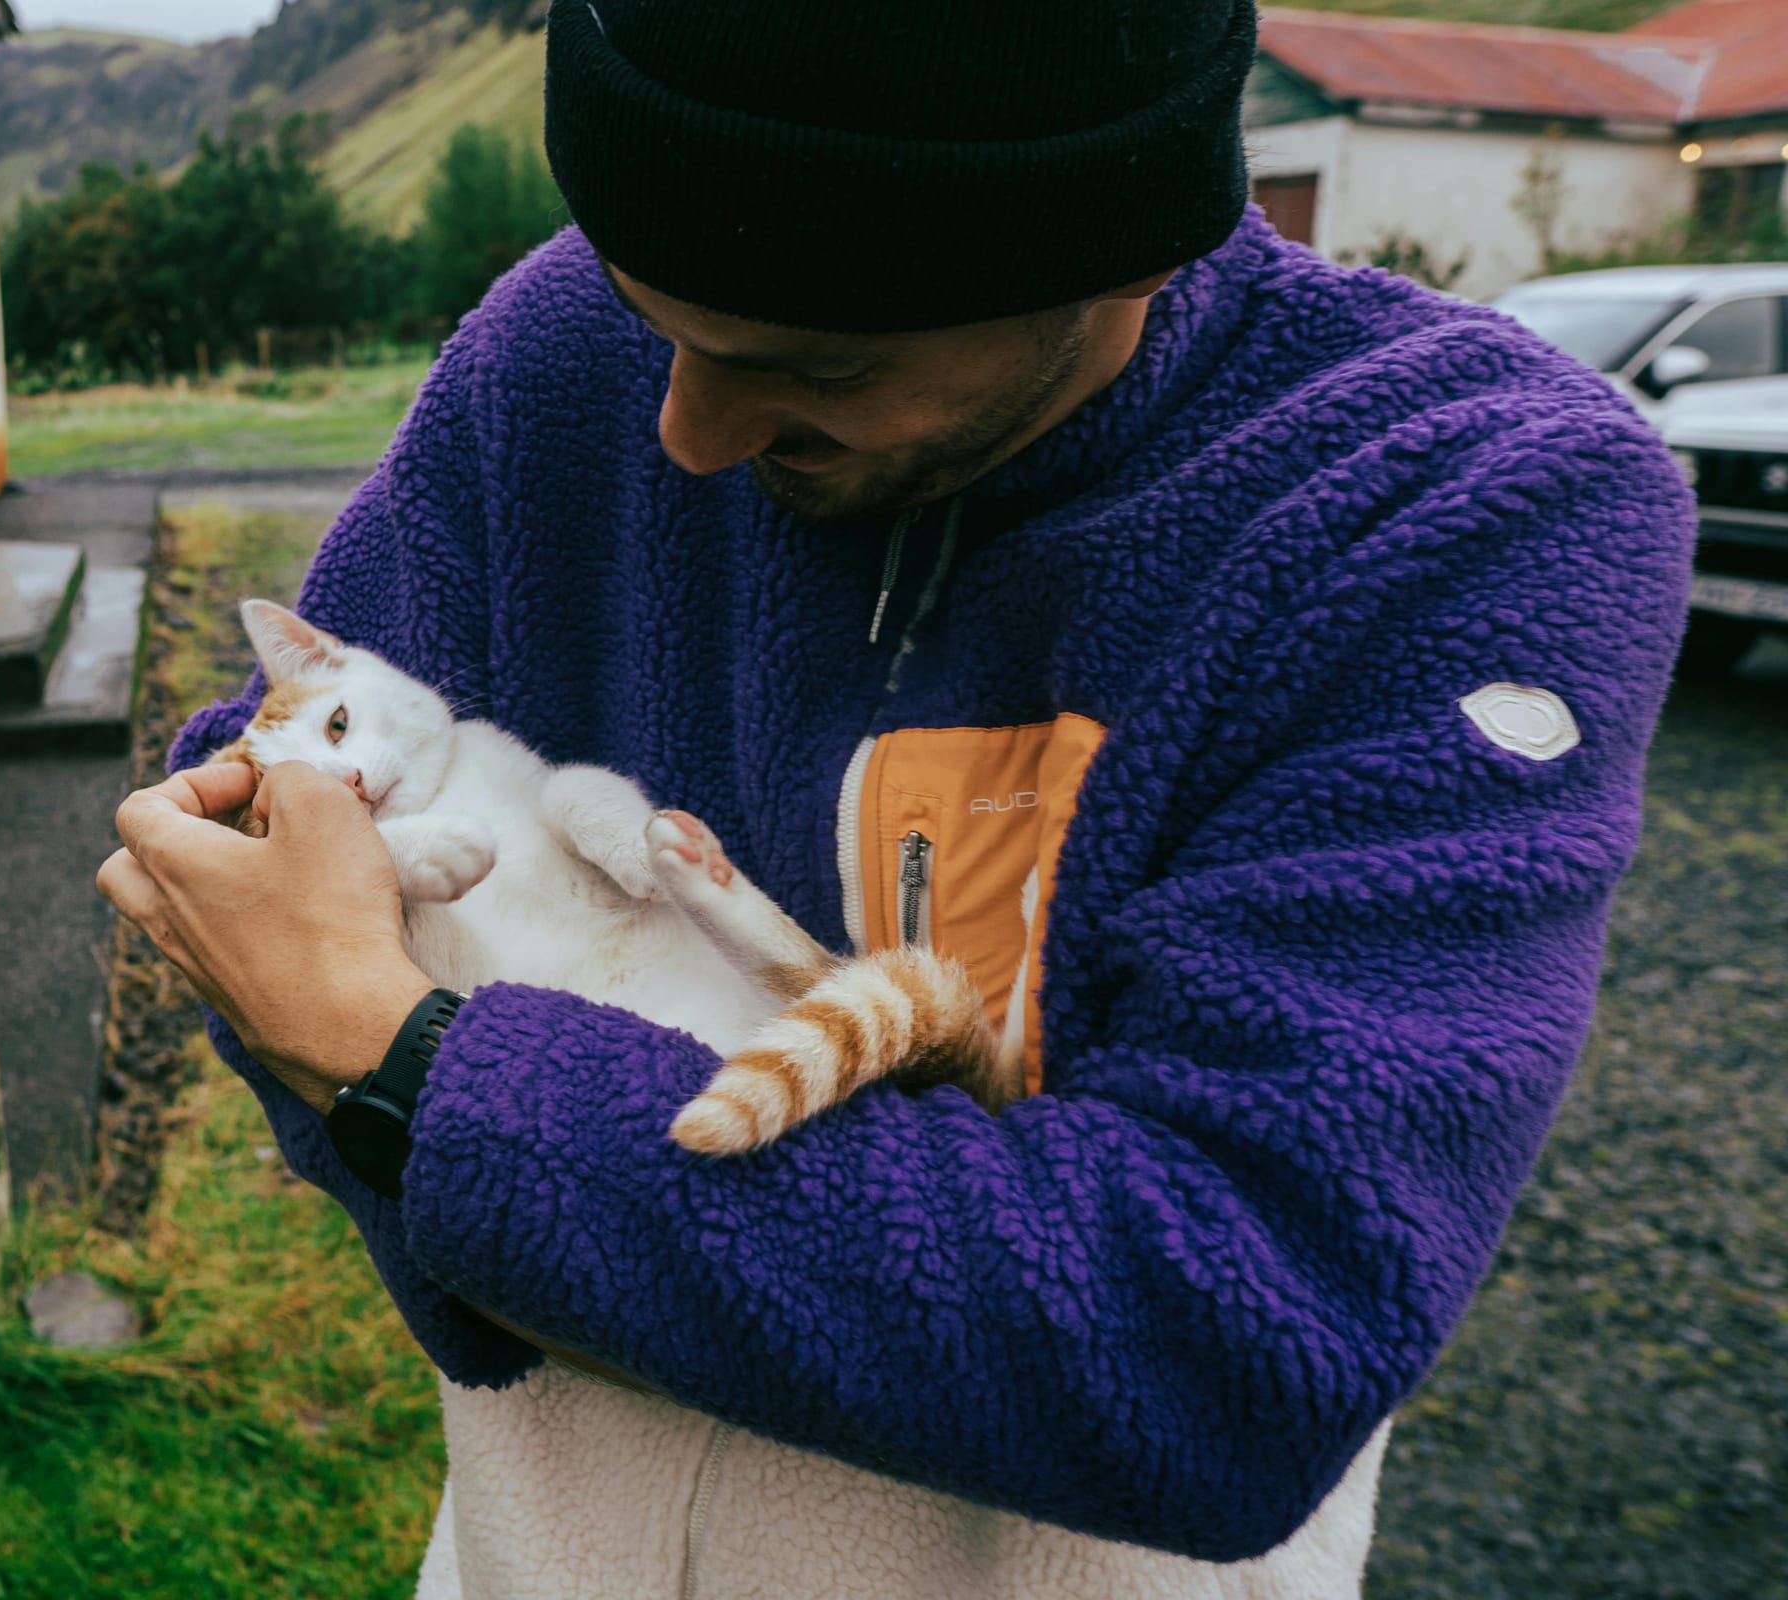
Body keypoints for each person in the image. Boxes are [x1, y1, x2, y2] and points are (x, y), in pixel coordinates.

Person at [96, 0, 1696, 1592]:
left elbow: (1231, 1346)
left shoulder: (1465, 506)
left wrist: (411, 1085)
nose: (682, 434)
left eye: (814, 361)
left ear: (1129, 249)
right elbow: (261, 854)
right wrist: (334, 1012)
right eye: (655, 320)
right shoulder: (549, 353)